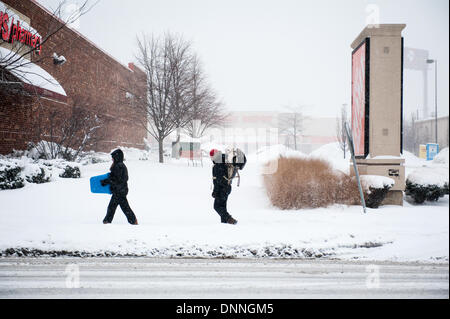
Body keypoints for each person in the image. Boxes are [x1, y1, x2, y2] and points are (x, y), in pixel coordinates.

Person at [101, 149, 138, 225]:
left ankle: (107, 221)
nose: (112, 159)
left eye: (113, 157)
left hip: (119, 191)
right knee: (123, 207)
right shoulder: (119, 165)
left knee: (113, 207)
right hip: (120, 190)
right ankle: (133, 221)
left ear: (117, 157)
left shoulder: (119, 166)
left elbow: (117, 179)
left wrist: (106, 181)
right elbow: (115, 177)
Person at [210, 149, 238, 225]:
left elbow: (218, 180)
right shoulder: (224, 161)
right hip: (227, 187)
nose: (211, 158)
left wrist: (215, 191)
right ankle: (224, 223)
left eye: (211, 156)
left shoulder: (218, 165)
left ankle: (229, 219)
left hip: (222, 188)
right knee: (222, 206)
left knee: (217, 206)